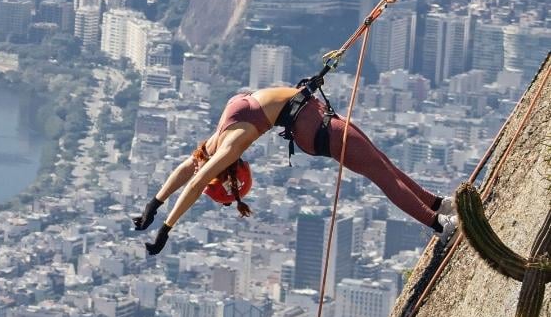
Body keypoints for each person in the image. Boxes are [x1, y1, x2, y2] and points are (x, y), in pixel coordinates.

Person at [133, 81, 457, 256]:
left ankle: (437, 205)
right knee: (381, 173)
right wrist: (166, 229)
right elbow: (196, 181)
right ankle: (441, 225)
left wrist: (155, 204)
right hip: (317, 130)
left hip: (313, 121)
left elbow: (189, 169)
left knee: (381, 163)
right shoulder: (232, 144)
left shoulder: (215, 141)